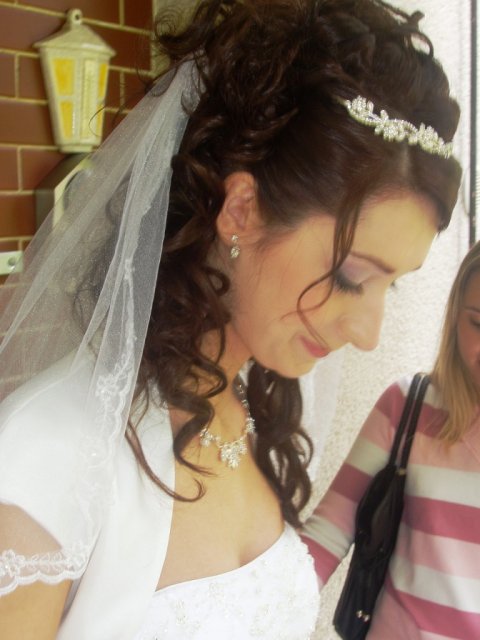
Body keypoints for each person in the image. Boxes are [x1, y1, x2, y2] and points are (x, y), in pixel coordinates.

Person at [0, 1, 461, 638]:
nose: (367, 333)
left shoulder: (253, 409)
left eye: (393, 286)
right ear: (241, 210)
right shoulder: (53, 447)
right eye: (350, 276)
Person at [302, 240, 480, 639]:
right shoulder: (407, 406)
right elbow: (327, 534)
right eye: (479, 324)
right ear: (455, 316)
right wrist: (260, 615)